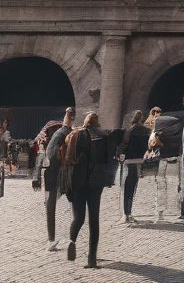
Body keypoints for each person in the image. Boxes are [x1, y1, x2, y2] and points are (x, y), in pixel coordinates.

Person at [65, 111, 122, 269]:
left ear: (85, 121)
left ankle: (72, 241)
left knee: (78, 217)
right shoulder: (104, 135)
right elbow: (113, 151)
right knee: (94, 219)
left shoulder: (76, 134)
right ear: (97, 122)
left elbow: (68, 159)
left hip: (78, 181)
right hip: (96, 181)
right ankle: (92, 259)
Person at [42, 107, 75, 251]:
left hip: (49, 169)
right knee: (56, 202)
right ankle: (54, 240)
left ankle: (51, 240)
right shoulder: (68, 133)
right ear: (72, 118)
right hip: (56, 170)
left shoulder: (58, 132)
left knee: (50, 203)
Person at [148, 109, 184, 221]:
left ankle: (160, 213)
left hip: (161, 162)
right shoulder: (178, 133)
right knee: (175, 187)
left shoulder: (156, 133)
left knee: (161, 188)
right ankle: (177, 212)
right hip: (174, 160)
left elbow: (150, 147)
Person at [116, 110, 149, 225]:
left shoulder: (129, 130)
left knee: (125, 188)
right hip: (139, 161)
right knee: (133, 187)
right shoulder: (146, 131)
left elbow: (124, 145)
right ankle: (129, 213)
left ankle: (125, 214)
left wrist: (119, 156)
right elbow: (148, 146)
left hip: (128, 161)